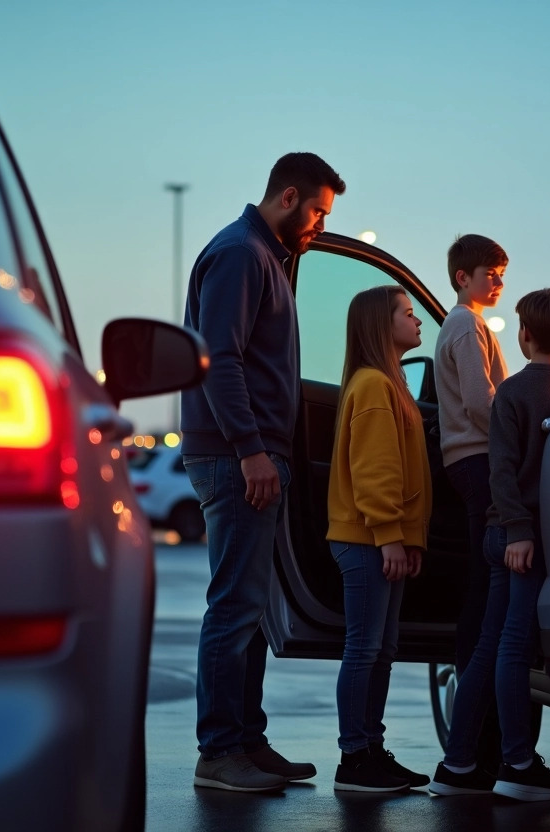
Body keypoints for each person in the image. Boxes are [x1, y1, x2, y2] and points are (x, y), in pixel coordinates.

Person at [182, 152, 345, 793]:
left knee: (249, 608)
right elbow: (219, 360)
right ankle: (219, 752)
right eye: (317, 212)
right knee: (233, 605)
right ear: (287, 196)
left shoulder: (265, 257)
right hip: (233, 456)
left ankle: (246, 740)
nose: (320, 227)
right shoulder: (242, 255)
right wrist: (250, 449)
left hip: (248, 453)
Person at [429, 288, 550, 801]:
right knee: (514, 645)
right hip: (527, 540)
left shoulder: (513, 392)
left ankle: (456, 765)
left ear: (523, 336)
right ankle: (516, 762)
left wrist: (510, 529)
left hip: (501, 534)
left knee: (490, 647)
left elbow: (500, 471)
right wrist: (522, 532)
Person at [326, 286, 433, 792]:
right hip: (366, 539)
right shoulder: (372, 385)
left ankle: (371, 747)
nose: (418, 324)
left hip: (381, 539)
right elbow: (375, 470)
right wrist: (390, 535)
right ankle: (354, 759)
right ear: (380, 325)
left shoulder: (391, 385)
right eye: (408, 315)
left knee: (382, 648)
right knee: (365, 648)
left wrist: (408, 539)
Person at [433, 233, 509, 770]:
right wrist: (523, 433)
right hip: (477, 459)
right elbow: (482, 401)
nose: (499, 282)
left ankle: (479, 732)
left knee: (481, 593)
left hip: (471, 459)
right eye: (490, 273)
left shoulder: (469, 323)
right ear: (463, 277)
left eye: (502, 273)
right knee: (484, 595)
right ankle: (477, 735)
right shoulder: (464, 323)